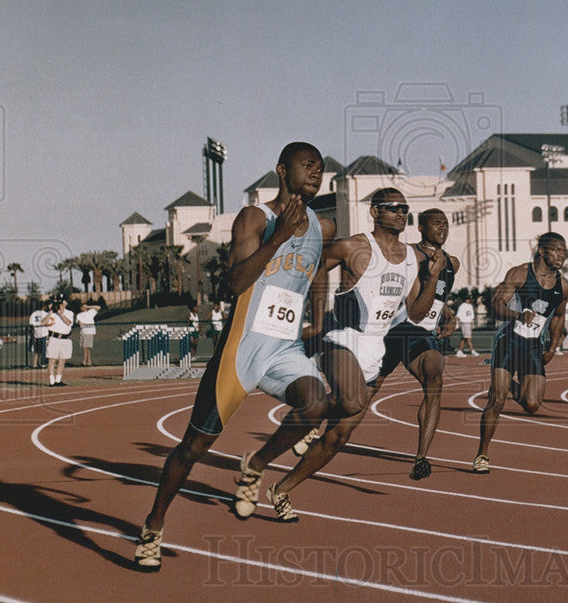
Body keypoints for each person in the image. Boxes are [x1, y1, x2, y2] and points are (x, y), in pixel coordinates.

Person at [134, 142, 334, 571]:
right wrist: (278, 237)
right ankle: (153, 525)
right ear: (282, 171)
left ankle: (256, 465)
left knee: (318, 402)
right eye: (308, 166)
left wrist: (317, 318)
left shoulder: (323, 226)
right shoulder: (255, 218)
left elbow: (317, 277)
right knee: (192, 449)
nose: (317, 173)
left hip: (284, 349)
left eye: (321, 168)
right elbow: (235, 283)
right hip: (241, 352)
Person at [238, 187, 443, 516]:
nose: (401, 213)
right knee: (352, 399)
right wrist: (317, 317)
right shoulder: (354, 246)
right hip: (341, 337)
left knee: (338, 437)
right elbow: (315, 264)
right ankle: (309, 413)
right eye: (393, 207)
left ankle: (276, 483)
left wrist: (431, 280)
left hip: (375, 350)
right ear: (374, 212)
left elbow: (416, 314)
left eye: (405, 208)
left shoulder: (410, 259)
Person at [369, 208, 460, 479]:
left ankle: (421, 458)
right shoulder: (407, 255)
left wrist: (448, 314)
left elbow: (438, 298)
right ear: (421, 228)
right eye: (436, 224)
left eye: (446, 224)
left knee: (435, 380)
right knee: (363, 395)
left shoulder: (452, 263)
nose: (442, 229)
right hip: (394, 330)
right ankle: (316, 427)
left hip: (422, 334)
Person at [473, 232, 568, 473]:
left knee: (532, 404)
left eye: (564, 251)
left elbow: (559, 316)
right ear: (542, 251)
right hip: (509, 340)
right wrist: (517, 315)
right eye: (557, 250)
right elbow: (496, 304)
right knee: (497, 400)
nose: (561, 255)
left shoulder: (563, 286)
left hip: (533, 346)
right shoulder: (519, 273)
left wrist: (553, 346)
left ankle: (508, 386)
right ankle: (482, 455)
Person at [42, 297, 74, 387]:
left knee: (62, 360)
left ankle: (58, 380)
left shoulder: (69, 313)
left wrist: (61, 314)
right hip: (54, 338)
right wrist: (51, 312)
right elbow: (43, 322)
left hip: (65, 338)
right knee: (52, 359)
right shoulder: (52, 313)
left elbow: (68, 323)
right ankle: (52, 381)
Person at [28, 301, 49, 369]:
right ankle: (43, 363)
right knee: (44, 349)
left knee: (37, 350)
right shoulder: (46, 313)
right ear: (44, 306)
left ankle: (35, 363)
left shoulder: (34, 313)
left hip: (36, 332)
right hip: (44, 332)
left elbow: (31, 323)